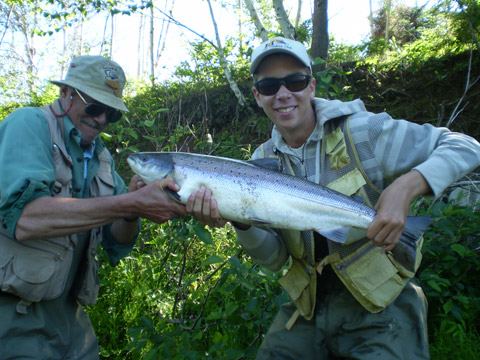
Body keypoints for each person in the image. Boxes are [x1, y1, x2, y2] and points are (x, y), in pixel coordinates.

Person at [186, 37, 480, 359]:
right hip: (307, 306)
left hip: (380, 302)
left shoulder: (364, 132)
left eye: (294, 81)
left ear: (311, 85)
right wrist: (240, 221)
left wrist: (407, 187)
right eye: (269, 86)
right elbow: (273, 260)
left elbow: (466, 146)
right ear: (258, 96)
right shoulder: (258, 163)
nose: (283, 94)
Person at [0, 55, 187, 359]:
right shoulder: (29, 124)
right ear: (66, 93)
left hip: (71, 320)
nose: (101, 120)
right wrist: (127, 201)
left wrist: (131, 211)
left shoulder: (101, 158)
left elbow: (117, 241)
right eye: (94, 107)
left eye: (111, 114)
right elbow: (26, 218)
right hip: (13, 315)